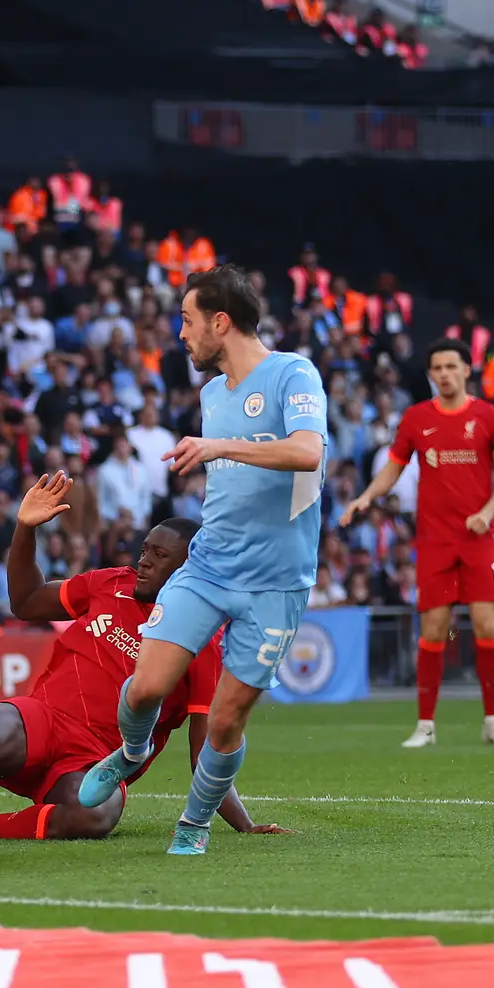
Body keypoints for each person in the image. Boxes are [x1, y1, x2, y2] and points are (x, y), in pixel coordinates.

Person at [0, 477, 287, 840]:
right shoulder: (107, 583)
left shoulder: (203, 643)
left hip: (95, 761)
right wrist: (25, 529)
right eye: (144, 549)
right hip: (42, 720)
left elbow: (204, 751)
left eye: (159, 556)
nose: (143, 561)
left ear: (189, 568)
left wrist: (243, 825)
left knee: (96, 816)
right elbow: (25, 601)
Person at [76, 266, 327, 856]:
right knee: (144, 690)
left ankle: (193, 824)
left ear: (221, 322)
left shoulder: (294, 373)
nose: (180, 334)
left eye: (187, 320)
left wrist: (219, 446)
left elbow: (307, 451)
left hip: (275, 584)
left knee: (222, 722)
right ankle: (131, 753)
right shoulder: (213, 392)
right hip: (210, 567)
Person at [341, 338, 494, 747]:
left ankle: (493, 721)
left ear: (466, 370)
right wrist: (367, 497)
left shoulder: (490, 417)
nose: (443, 374)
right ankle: (425, 725)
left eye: (450, 366)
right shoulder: (416, 419)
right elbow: (394, 468)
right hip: (436, 541)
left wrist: (487, 512)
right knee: (434, 629)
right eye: (436, 368)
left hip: (479, 539)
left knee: (486, 625)